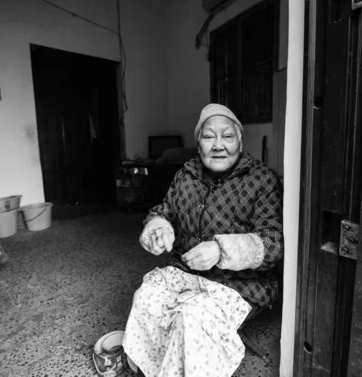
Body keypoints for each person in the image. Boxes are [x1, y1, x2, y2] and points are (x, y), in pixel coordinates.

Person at [122, 103, 284, 377]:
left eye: (227, 136)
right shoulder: (185, 175)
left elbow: (275, 242)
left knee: (192, 315)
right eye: (209, 137)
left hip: (241, 283)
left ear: (240, 141)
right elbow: (164, 211)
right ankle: (154, 368)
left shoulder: (262, 179)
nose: (218, 145)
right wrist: (157, 226)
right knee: (147, 296)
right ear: (199, 144)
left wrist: (222, 250)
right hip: (186, 271)